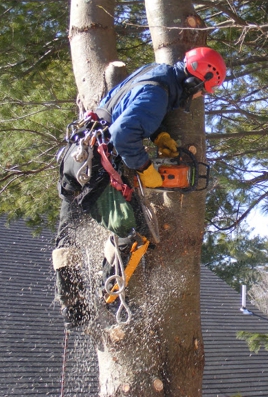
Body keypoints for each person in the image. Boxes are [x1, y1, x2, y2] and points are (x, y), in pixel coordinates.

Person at [52, 47, 227, 328]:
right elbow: (123, 134)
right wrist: (145, 168)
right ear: (195, 82)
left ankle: (73, 305)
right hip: (94, 168)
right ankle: (105, 300)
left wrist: (159, 134)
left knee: (68, 234)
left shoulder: (156, 74)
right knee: (133, 232)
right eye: (203, 90)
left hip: (77, 156)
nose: (200, 96)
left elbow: (132, 107)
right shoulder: (159, 95)